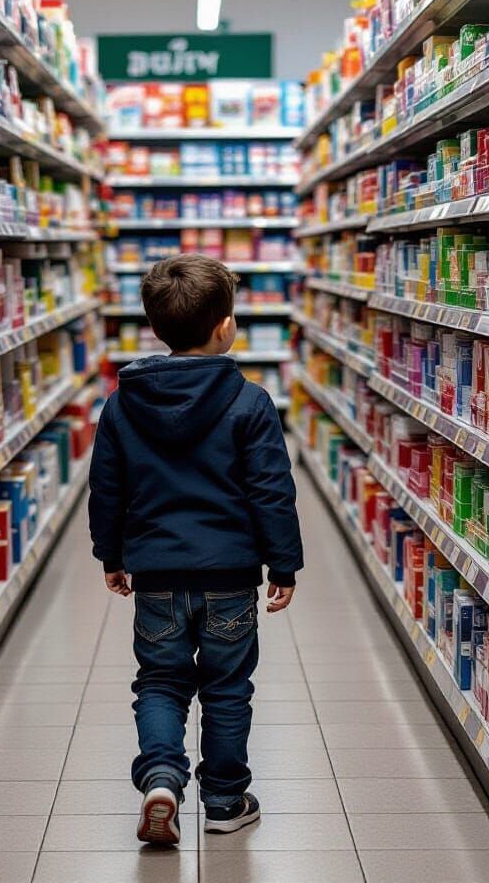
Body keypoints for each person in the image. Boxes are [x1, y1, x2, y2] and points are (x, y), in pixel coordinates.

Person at [88, 253, 304, 845]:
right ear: (226, 326)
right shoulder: (250, 403)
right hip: (230, 575)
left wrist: (111, 554)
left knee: (160, 682)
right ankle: (225, 800)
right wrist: (283, 562)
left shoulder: (122, 403)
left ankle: (161, 778)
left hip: (156, 574)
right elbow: (271, 491)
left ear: (154, 328)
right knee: (227, 688)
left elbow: (107, 488)